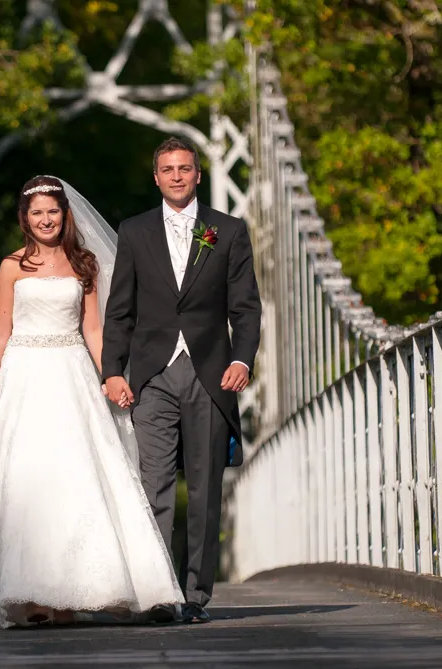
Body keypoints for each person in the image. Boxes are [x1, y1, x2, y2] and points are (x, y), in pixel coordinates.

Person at [0, 175, 184, 629]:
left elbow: (94, 329)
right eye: (37, 213)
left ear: (64, 215)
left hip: (71, 372)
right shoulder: (12, 266)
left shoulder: (84, 264)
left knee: (77, 472)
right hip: (25, 375)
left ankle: (76, 592)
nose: (46, 220)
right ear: (24, 219)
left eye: (52, 211)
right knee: (29, 478)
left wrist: (110, 374)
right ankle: (32, 595)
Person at [102, 137, 262, 624]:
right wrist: (112, 369)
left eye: (185, 168)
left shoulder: (227, 231)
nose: (176, 176)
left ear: (198, 175)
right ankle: (158, 591)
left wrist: (243, 360)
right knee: (153, 487)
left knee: (206, 489)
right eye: (168, 169)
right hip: (151, 374)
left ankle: (195, 597)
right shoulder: (133, 231)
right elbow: (120, 310)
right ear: (156, 177)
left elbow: (246, 307)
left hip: (212, 374)